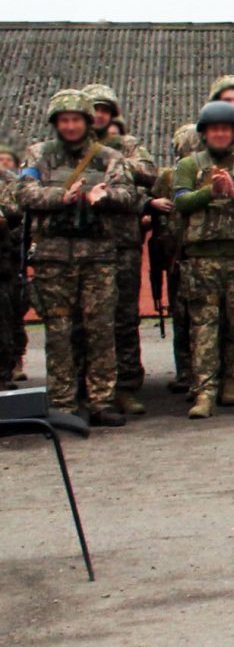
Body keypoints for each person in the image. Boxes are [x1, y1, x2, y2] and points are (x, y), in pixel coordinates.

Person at [18, 90, 140, 424]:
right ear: (56, 123)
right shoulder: (39, 155)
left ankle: (101, 401)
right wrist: (62, 196)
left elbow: (130, 195)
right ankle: (62, 403)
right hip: (52, 257)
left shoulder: (108, 157)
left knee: (100, 329)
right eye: (64, 120)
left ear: (87, 122)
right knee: (59, 331)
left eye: (76, 119)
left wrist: (104, 196)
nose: (70, 126)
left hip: (98, 256)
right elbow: (24, 192)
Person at [169, 100, 234, 417]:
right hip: (202, 261)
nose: (220, 134)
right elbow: (181, 200)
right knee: (203, 328)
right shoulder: (189, 165)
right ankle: (204, 393)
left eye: (225, 129)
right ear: (204, 133)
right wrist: (209, 192)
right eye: (214, 129)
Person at [82, 84, 154, 416]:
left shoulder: (127, 146)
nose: (99, 114)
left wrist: (114, 159)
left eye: (104, 109)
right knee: (87, 321)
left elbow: (149, 173)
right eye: (94, 108)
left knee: (124, 317)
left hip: (122, 242)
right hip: (84, 243)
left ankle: (126, 385)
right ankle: (89, 387)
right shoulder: (70, 148)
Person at [0, 148, 25, 389]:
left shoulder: (8, 184)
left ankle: (4, 375)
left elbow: (16, 213)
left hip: (3, 264)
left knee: (5, 321)